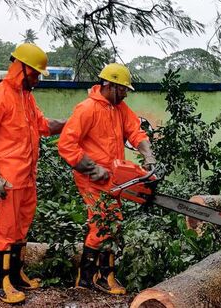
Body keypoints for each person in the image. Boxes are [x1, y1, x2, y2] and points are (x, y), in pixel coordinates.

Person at [0, 43, 66, 303]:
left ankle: (16, 275)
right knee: (5, 230)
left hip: (27, 178)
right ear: (21, 68)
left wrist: (71, 124)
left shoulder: (26, 97)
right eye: (35, 74)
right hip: (7, 179)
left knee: (21, 230)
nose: (37, 80)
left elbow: (43, 125)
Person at [58, 63, 156, 295]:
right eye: (122, 89)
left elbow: (135, 131)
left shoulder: (119, 108)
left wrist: (148, 155)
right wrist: (92, 169)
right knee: (101, 223)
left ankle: (105, 275)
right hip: (91, 177)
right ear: (109, 85)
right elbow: (66, 145)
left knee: (113, 222)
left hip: (114, 176)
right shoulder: (87, 109)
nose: (124, 93)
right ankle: (87, 278)